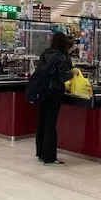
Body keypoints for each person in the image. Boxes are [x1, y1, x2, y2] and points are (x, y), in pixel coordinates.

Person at [35, 32, 77, 165]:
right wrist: (73, 73)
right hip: (54, 92)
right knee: (50, 124)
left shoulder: (45, 53)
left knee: (41, 121)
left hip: (42, 91)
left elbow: (39, 71)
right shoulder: (63, 57)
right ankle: (50, 157)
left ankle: (41, 153)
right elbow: (63, 77)